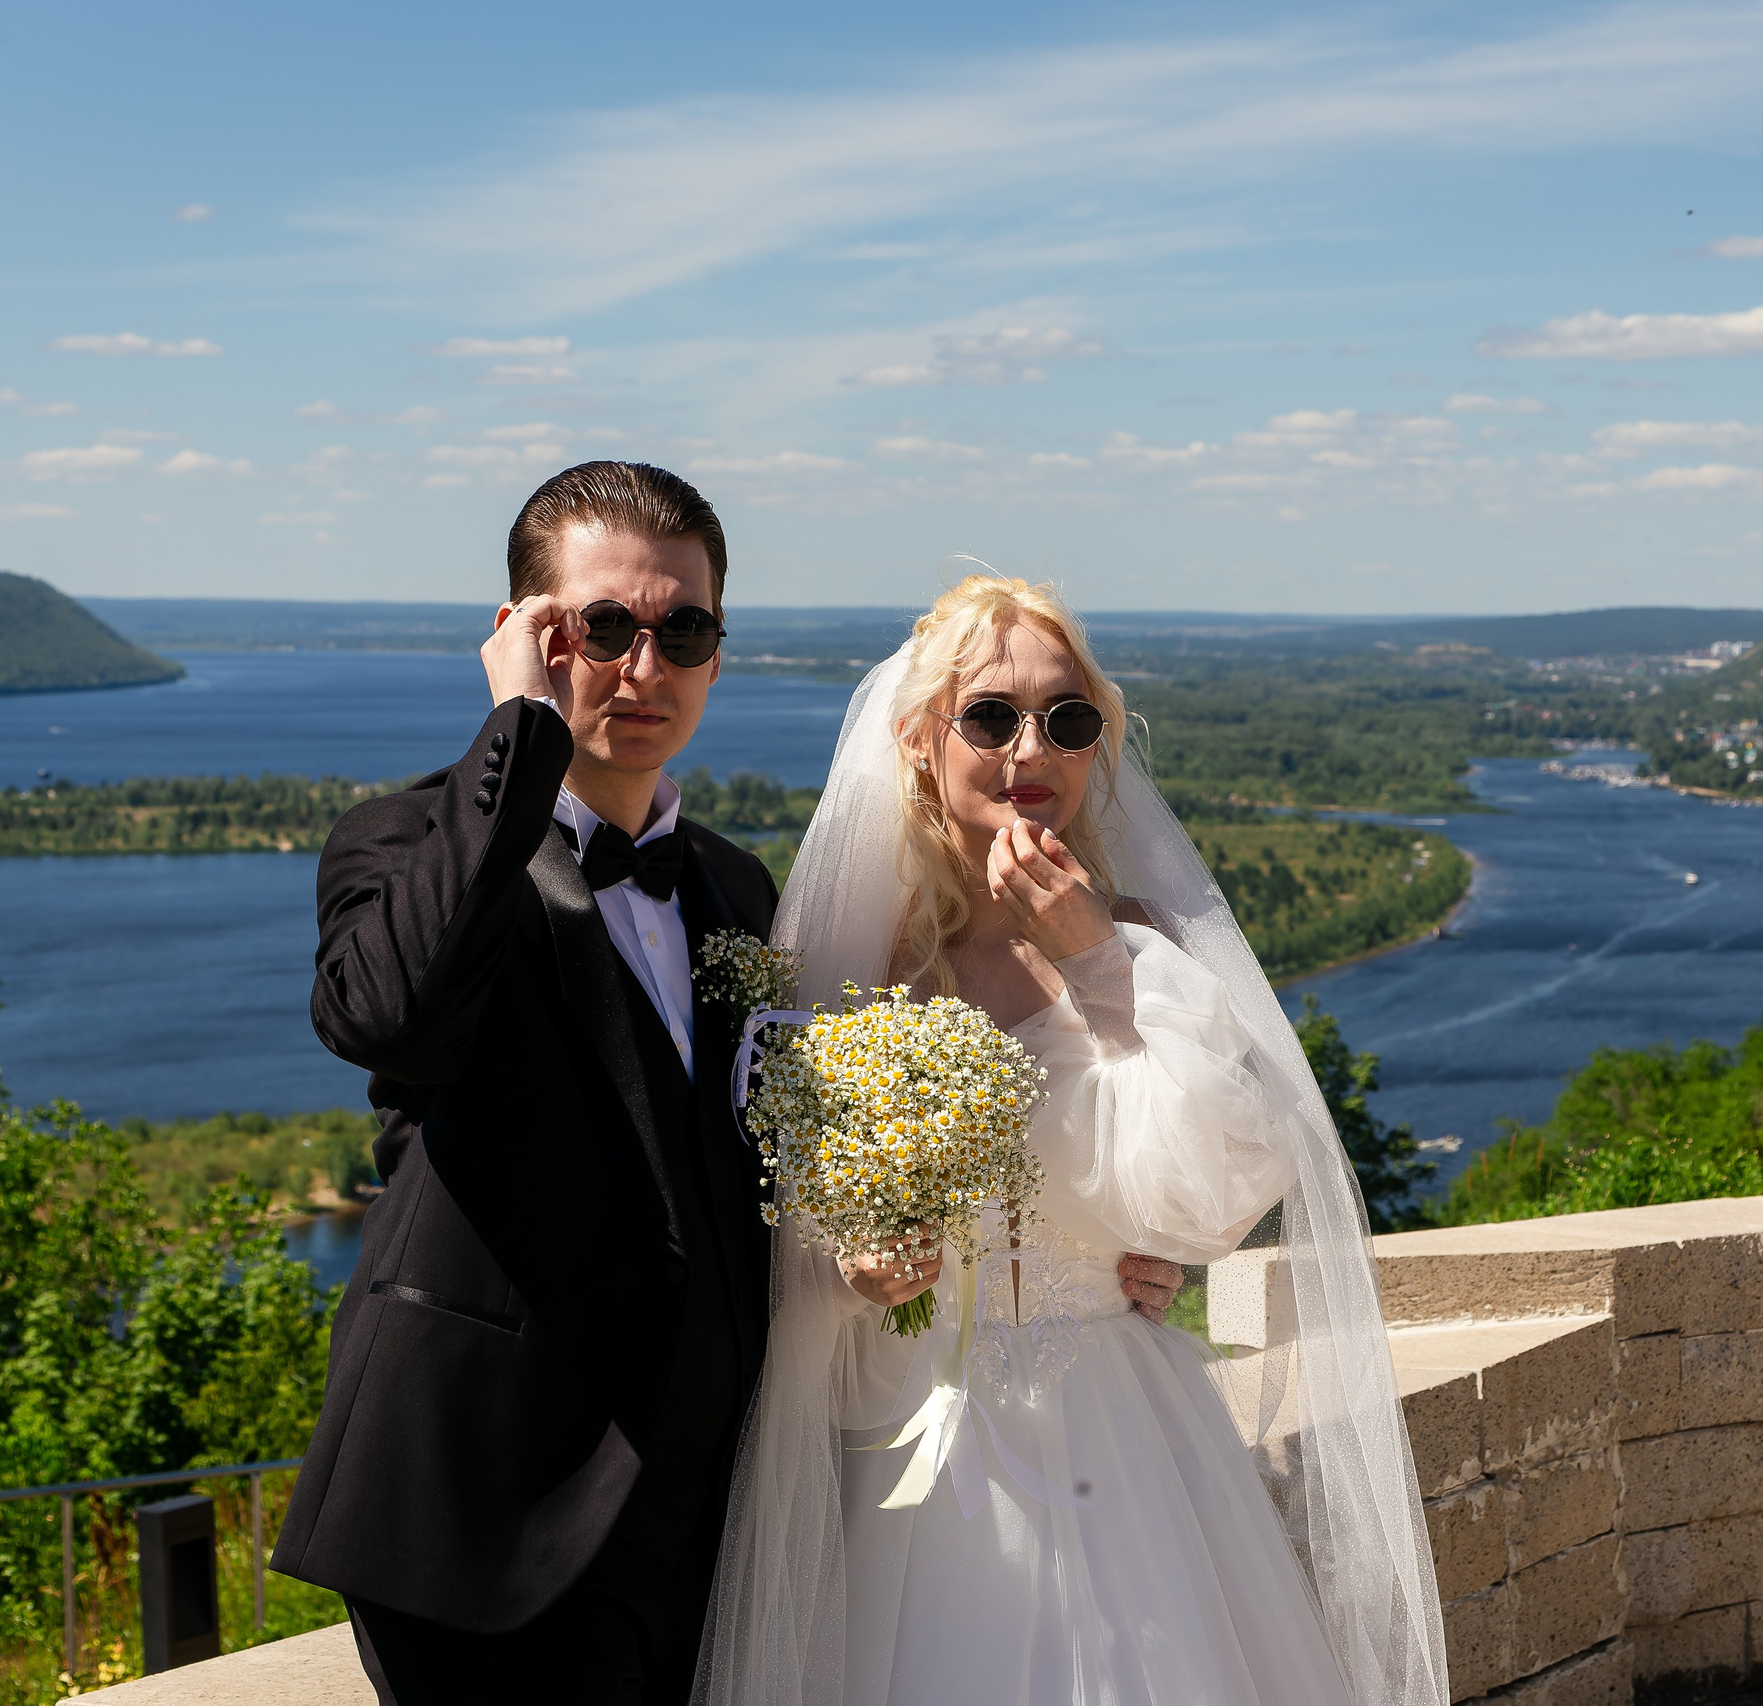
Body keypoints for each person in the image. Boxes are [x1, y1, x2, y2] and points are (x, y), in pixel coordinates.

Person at [269, 464, 1183, 1706]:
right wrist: (518, 740)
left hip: (712, 1516)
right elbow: (387, 1013)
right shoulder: (407, 843)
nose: (644, 667)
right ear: (524, 637)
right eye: (600, 629)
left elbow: (791, 1174)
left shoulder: (738, 895)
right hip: (492, 1517)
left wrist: (1089, 1235)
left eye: (682, 630)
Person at [694, 575, 1452, 1706]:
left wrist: (1098, 957)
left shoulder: (1139, 940)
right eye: (991, 714)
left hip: (1121, 1433)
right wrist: (850, 1274)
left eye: (1069, 717)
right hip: (910, 1443)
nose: (1029, 746)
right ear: (918, 742)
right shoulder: (848, 966)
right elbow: (772, 1228)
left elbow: (1224, 1186)